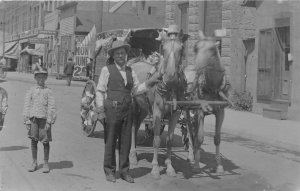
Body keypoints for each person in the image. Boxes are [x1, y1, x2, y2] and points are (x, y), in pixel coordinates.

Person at [95, 40, 160, 183]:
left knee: (126, 142)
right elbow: (100, 91)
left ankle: (124, 171)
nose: (121, 56)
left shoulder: (130, 71)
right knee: (111, 141)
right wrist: (100, 110)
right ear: (113, 55)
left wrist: (150, 82)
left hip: (128, 109)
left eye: (123, 53)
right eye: (118, 53)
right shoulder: (107, 70)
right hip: (112, 108)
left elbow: (136, 89)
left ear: (126, 55)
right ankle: (109, 171)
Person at [23, 63, 56, 173]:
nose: (41, 79)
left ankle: (46, 163)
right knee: (34, 140)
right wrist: (27, 120)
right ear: (35, 78)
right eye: (38, 77)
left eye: (43, 77)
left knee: (45, 141)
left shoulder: (48, 91)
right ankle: (34, 162)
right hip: (33, 119)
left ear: (46, 77)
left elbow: (52, 106)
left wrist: (49, 121)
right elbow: (27, 105)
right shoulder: (31, 90)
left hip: (44, 120)